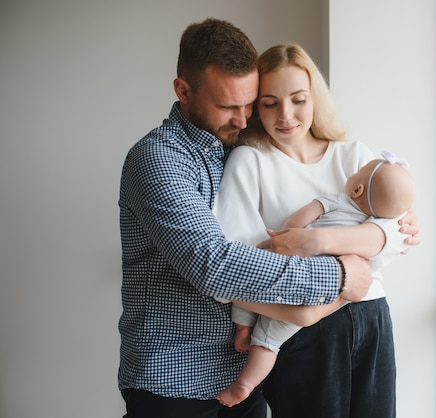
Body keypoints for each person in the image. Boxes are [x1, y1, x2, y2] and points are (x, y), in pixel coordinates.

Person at [117, 18, 396, 418]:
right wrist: (341, 276)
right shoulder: (159, 159)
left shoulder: (234, 147)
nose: (243, 116)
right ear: (183, 91)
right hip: (174, 377)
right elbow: (215, 265)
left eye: (250, 103)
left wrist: (386, 229)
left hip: (242, 377)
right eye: (229, 106)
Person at [214, 43, 415, 418]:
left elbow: (397, 239)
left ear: (315, 99)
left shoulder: (353, 155)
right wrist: (359, 252)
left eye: (298, 99)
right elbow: (238, 260)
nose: (285, 115)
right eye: (270, 102)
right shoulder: (250, 160)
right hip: (295, 327)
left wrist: (317, 240)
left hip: (371, 316)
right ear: (256, 106)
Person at [216, 152, 416, 408]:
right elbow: (392, 233)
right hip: (343, 294)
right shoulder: (371, 219)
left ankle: (244, 350)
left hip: (305, 285)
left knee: (266, 338)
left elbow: (295, 225)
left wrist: (290, 235)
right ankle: (244, 383)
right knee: (271, 338)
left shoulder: (336, 197)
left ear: (356, 188)